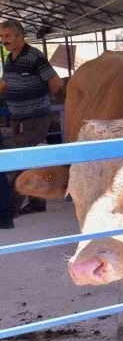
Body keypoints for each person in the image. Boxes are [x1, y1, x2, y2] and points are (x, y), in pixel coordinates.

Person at [0, 19, 62, 215]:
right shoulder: (11, 59)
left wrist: (43, 99)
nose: (4, 40)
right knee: (34, 159)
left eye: (8, 36)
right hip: (20, 120)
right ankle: (37, 204)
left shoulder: (34, 56)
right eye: (1, 36)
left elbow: (55, 82)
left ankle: (10, 209)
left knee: (21, 159)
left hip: (36, 119)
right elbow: (5, 83)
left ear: (20, 36)